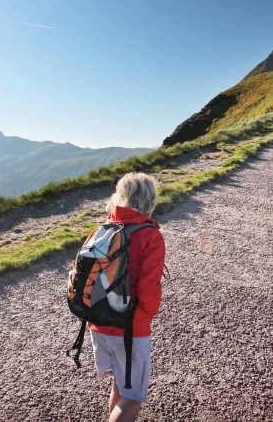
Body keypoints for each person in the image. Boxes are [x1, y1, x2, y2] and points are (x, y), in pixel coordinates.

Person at [90, 173, 166, 422]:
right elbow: (148, 290)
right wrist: (148, 316)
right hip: (131, 329)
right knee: (133, 396)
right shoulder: (150, 235)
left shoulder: (101, 230)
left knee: (121, 387)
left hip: (98, 323)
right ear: (149, 200)